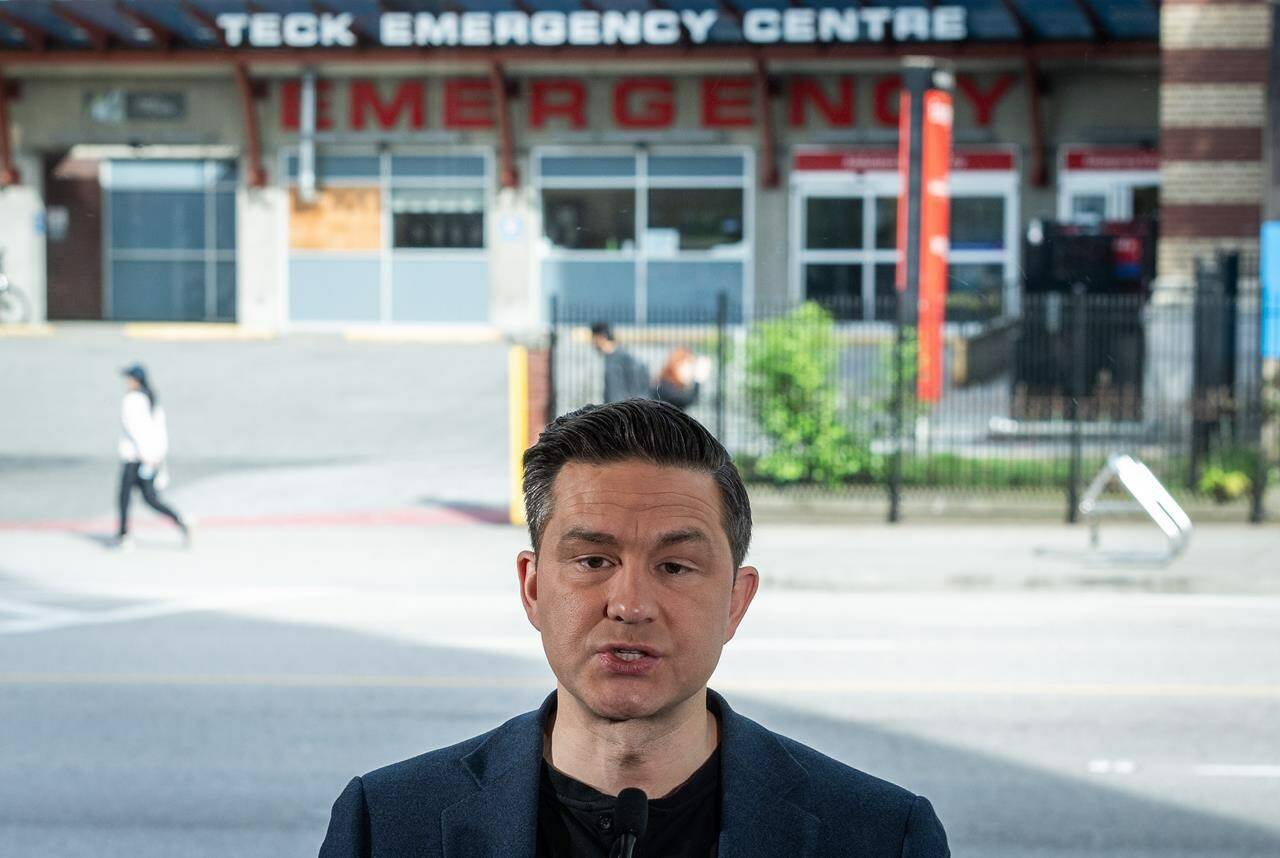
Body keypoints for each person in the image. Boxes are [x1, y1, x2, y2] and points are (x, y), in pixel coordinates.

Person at [319, 399, 949, 857]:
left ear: (736, 600)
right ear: (533, 588)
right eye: (593, 560)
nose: (629, 604)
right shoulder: (388, 825)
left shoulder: (879, 835)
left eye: (675, 566)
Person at [115, 363, 189, 549]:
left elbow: (134, 430)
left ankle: (123, 536)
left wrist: (146, 454)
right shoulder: (151, 400)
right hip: (151, 457)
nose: (127, 382)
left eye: (129, 378)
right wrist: (157, 456)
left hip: (135, 457)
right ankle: (180, 519)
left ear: (136, 380)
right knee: (150, 498)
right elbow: (159, 432)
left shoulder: (131, 400)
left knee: (124, 497)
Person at [590, 321, 652, 403]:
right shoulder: (622, 355)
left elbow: (615, 396)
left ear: (601, 337)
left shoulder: (614, 362)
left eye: (593, 338)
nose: (592, 343)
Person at [653, 347, 706, 412]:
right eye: (687, 365)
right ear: (676, 365)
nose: (691, 372)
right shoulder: (664, 385)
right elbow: (682, 400)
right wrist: (698, 380)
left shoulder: (676, 385)